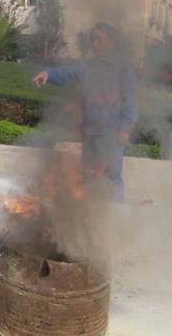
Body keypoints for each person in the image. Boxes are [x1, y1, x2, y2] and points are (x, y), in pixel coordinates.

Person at [33, 22, 138, 202]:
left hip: (111, 132)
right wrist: (48, 74)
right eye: (93, 40)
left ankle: (116, 214)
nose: (95, 44)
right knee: (89, 175)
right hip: (90, 130)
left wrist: (125, 128)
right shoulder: (89, 65)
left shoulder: (123, 67)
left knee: (112, 176)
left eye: (99, 40)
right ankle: (91, 214)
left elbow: (130, 100)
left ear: (111, 41)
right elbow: (68, 74)